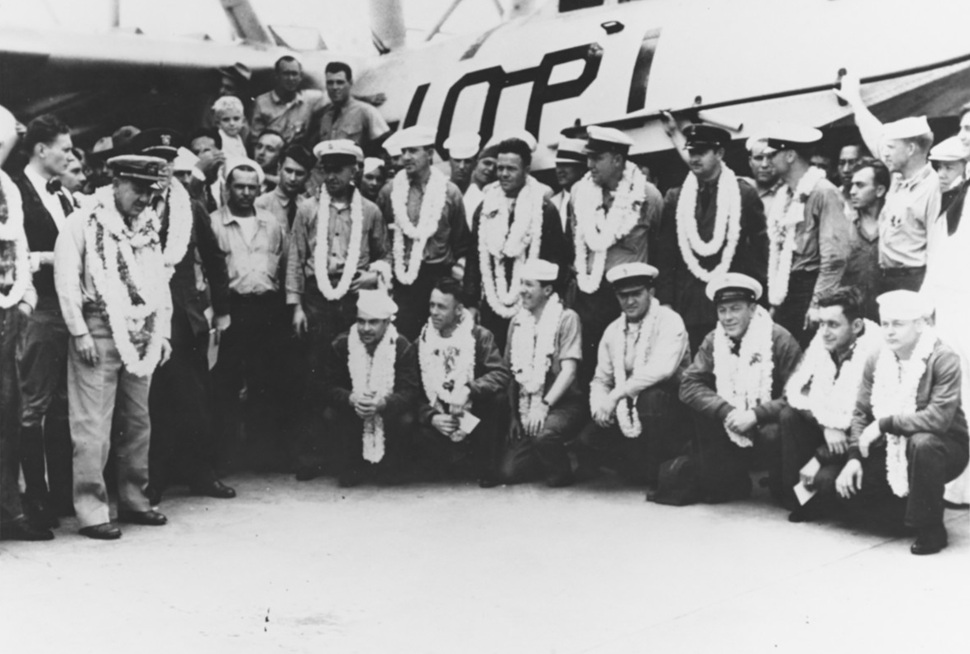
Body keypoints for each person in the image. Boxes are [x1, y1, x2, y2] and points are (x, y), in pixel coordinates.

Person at [54, 154, 173, 540]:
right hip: (97, 328)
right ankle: (91, 511)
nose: (144, 199)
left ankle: (136, 499)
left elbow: (158, 282)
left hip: (140, 329)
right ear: (116, 182)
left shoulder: (147, 226)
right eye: (138, 189)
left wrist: (163, 333)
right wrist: (80, 332)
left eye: (150, 191)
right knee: (92, 426)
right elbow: (67, 279)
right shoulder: (83, 221)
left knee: (138, 420)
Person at [128, 129, 235, 505]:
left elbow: (214, 257)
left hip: (185, 318)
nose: (162, 171)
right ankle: (154, 478)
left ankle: (201, 473)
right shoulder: (130, 206)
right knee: (153, 404)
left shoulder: (189, 206)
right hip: (144, 317)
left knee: (194, 400)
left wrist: (221, 309)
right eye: (155, 163)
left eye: (167, 163)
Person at [287, 139, 391, 481]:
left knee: (354, 375)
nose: (332, 177)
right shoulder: (308, 209)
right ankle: (310, 455)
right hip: (318, 297)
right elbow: (295, 258)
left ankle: (350, 458)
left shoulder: (371, 211)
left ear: (354, 171)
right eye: (326, 170)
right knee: (314, 375)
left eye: (339, 170)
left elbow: (384, 255)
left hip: (353, 300)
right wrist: (297, 306)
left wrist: (373, 275)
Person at [834, 290, 968, 555]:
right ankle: (906, 512)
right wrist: (853, 458)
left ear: (920, 324)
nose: (889, 331)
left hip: (944, 447)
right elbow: (861, 412)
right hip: (890, 448)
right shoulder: (877, 358)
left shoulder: (943, 358)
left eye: (898, 324)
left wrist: (884, 424)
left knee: (923, 443)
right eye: (885, 323)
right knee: (836, 492)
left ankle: (930, 528)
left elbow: (937, 419)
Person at [679, 273, 802, 503]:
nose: (728, 317)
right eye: (722, 310)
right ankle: (729, 480)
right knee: (700, 406)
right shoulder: (713, 340)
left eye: (735, 308)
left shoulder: (779, 338)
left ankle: (779, 480)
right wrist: (726, 411)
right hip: (732, 422)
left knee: (781, 426)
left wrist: (756, 415)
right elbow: (689, 384)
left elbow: (800, 393)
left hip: (766, 427)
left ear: (753, 309)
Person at [654, 124, 769, 352]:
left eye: (702, 152)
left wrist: (757, 301)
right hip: (688, 304)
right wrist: (666, 301)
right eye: (692, 151)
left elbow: (760, 254)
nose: (694, 158)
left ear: (719, 153)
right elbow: (665, 254)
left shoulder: (743, 195)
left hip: (729, 301)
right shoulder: (675, 197)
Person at [575, 263, 691, 486]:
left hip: (669, 404)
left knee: (651, 399)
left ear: (651, 292)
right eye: (623, 296)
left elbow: (662, 369)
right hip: (625, 405)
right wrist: (600, 407)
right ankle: (635, 461)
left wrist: (616, 395)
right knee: (585, 443)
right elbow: (601, 379)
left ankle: (660, 466)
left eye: (636, 294)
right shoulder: (613, 330)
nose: (629, 302)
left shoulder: (669, 319)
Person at [13, 114, 76, 526]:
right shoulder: (13, 191)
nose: (70, 156)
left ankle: (59, 496)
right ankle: (34, 495)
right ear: (41, 150)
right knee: (32, 404)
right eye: (65, 149)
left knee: (61, 405)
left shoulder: (64, 195)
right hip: (37, 311)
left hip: (66, 309)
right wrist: (50, 259)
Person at [209, 158, 288, 470]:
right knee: (225, 382)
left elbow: (282, 263)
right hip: (231, 308)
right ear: (228, 188)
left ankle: (263, 454)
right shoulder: (215, 222)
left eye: (251, 187)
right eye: (239, 186)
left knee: (265, 380)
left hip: (267, 308)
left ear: (260, 189)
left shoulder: (271, 223)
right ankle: (225, 456)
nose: (244, 193)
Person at [570, 125, 663, 383]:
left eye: (597, 158)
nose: (589, 165)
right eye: (588, 157)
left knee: (630, 364)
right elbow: (574, 240)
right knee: (592, 366)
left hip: (629, 296)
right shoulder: (580, 193)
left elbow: (658, 247)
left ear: (617, 160)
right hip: (590, 295)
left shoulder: (647, 196)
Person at [780, 286, 881, 521]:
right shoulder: (822, 344)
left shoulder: (876, 353)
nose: (823, 332)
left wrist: (819, 457)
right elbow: (795, 390)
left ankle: (821, 489)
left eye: (833, 325)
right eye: (821, 324)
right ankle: (801, 495)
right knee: (789, 415)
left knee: (827, 483)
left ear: (856, 326)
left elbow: (866, 422)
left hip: (862, 443)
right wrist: (827, 425)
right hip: (832, 432)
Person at [837, 75, 944, 295]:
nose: (883, 153)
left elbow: (937, 247)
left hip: (912, 280)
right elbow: (873, 133)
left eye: (891, 148)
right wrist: (855, 100)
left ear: (911, 149)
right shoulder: (897, 176)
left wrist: (927, 296)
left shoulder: (933, 187)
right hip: (884, 275)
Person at [463, 137, 572, 351]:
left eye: (511, 169)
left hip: (531, 305)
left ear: (526, 170)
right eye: (500, 168)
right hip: (493, 300)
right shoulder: (484, 209)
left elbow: (557, 260)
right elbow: (474, 260)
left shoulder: (544, 210)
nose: (503, 174)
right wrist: (471, 302)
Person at [412, 276, 511, 487]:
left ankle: (484, 466)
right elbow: (413, 390)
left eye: (441, 307)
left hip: (472, 415)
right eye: (432, 305)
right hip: (440, 420)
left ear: (458, 310)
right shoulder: (422, 341)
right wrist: (431, 417)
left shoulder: (479, 336)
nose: (434, 312)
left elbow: (500, 374)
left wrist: (469, 389)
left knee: (498, 399)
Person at [376, 125, 471, 340]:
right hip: (403, 282)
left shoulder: (450, 193)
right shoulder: (390, 191)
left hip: (437, 278)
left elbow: (460, 243)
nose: (406, 157)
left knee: (437, 340)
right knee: (404, 340)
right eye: (403, 152)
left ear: (429, 154)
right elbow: (380, 239)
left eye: (413, 151)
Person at [759, 123, 849, 347]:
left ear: (790, 156)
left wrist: (818, 303)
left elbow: (834, 258)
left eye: (772, 155)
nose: (766, 162)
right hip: (787, 289)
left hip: (811, 289)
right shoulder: (784, 195)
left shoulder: (822, 192)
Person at [497, 260, 583, 486]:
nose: (522, 291)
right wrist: (514, 416)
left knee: (546, 438)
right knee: (509, 473)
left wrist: (544, 405)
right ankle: (541, 453)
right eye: (521, 284)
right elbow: (510, 374)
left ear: (547, 290)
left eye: (529, 285)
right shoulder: (517, 322)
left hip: (562, 404)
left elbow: (569, 371)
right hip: (527, 405)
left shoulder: (567, 318)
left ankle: (566, 462)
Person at [0, 157, 51, 541]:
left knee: (8, 417)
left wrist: (26, 301)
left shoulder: (6, 188)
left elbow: (18, 252)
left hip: (7, 318)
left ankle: (8, 513)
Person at [322, 290, 420, 487]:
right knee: (330, 413)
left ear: (387, 323)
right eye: (361, 321)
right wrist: (352, 398)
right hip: (354, 410)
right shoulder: (342, 344)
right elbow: (326, 386)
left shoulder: (401, 346)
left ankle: (389, 466)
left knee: (407, 419)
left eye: (373, 322)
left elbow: (410, 392)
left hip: (386, 412)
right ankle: (352, 465)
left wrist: (383, 403)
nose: (365, 328)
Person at [842, 158, 889, 321]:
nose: (852, 191)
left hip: (886, 314)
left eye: (860, 185)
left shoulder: (894, 227)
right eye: (852, 185)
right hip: (852, 316)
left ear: (880, 190)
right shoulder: (844, 225)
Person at [313, 61, 390, 154]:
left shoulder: (366, 111)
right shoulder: (324, 115)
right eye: (330, 83)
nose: (334, 87)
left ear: (350, 83)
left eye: (340, 82)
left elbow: (386, 145)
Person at [251, 55, 327, 146]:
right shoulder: (262, 102)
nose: (291, 78)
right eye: (286, 74)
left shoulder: (310, 100)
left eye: (294, 74)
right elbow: (255, 140)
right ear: (277, 76)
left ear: (300, 77)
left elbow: (331, 96)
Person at [255, 144, 314, 235]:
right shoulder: (261, 205)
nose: (292, 178)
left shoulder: (308, 207)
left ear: (308, 177)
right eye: (288, 171)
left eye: (299, 173)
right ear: (279, 169)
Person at [550, 137, 587, 234]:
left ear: (581, 168)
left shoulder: (594, 199)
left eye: (566, 165)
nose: (559, 170)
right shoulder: (552, 203)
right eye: (558, 165)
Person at [744, 137, 785, 215]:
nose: (764, 164)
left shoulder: (788, 194)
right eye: (759, 158)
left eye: (770, 158)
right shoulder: (740, 189)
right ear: (750, 162)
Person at [928, 135, 967, 213]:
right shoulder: (934, 198)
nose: (941, 175)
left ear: (966, 169)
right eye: (939, 167)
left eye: (949, 168)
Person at [213, 95, 248, 160]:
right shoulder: (219, 139)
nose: (232, 123)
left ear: (243, 121)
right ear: (218, 123)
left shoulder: (238, 137)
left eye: (236, 118)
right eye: (226, 119)